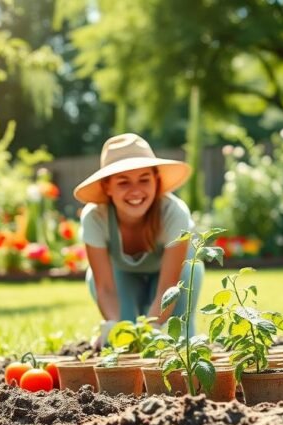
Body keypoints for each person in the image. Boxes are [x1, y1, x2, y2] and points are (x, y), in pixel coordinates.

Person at [75, 133, 203, 345]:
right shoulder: (95, 217)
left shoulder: (174, 213)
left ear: (156, 180)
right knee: (125, 339)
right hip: (123, 276)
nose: (135, 191)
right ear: (107, 187)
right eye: (123, 182)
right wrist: (114, 326)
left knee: (177, 341)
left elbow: (168, 287)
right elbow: (105, 287)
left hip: (178, 278)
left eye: (144, 179)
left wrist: (151, 328)